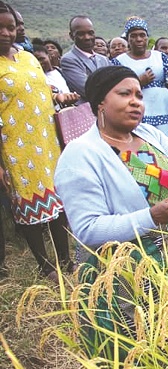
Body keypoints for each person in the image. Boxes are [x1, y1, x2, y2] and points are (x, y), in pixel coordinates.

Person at [54, 66, 168, 361]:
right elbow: (87, 229)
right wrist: (151, 217)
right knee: (142, 345)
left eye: (139, 94)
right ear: (100, 102)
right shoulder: (80, 154)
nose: (136, 101)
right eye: (124, 94)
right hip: (126, 272)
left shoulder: (149, 134)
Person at [0, 1, 78, 282]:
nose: (7, 33)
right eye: (1, 28)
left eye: (11, 27)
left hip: (46, 142)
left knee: (56, 203)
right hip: (15, 149)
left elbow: (41, 90)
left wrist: (58, 97)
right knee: (28, 205)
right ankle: (45, 266)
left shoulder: (28, 58)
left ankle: (66, 260)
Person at [112, 17, 168, 142]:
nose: (139, 39)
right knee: (143, 145)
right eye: (134, 36)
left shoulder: (161, 57)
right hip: (138, 109)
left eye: (142, 35)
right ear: (128, 39)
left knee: (167, 143)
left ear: (147, 37)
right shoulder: (119, 61)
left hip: (163, 107)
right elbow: (117, 89)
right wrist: (139, 82)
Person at [61, 16, 111, 99]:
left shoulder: (103, 59)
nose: (87, 37)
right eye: (81, 34)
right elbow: (87, 89)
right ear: (71, 36)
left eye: (90, 33)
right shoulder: (68, 60)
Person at [33, 45, 79, 111]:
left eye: (41, 59)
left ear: (49, 57)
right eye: (35, 61)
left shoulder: (60, 72)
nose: (39, 63)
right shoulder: (36, 79)